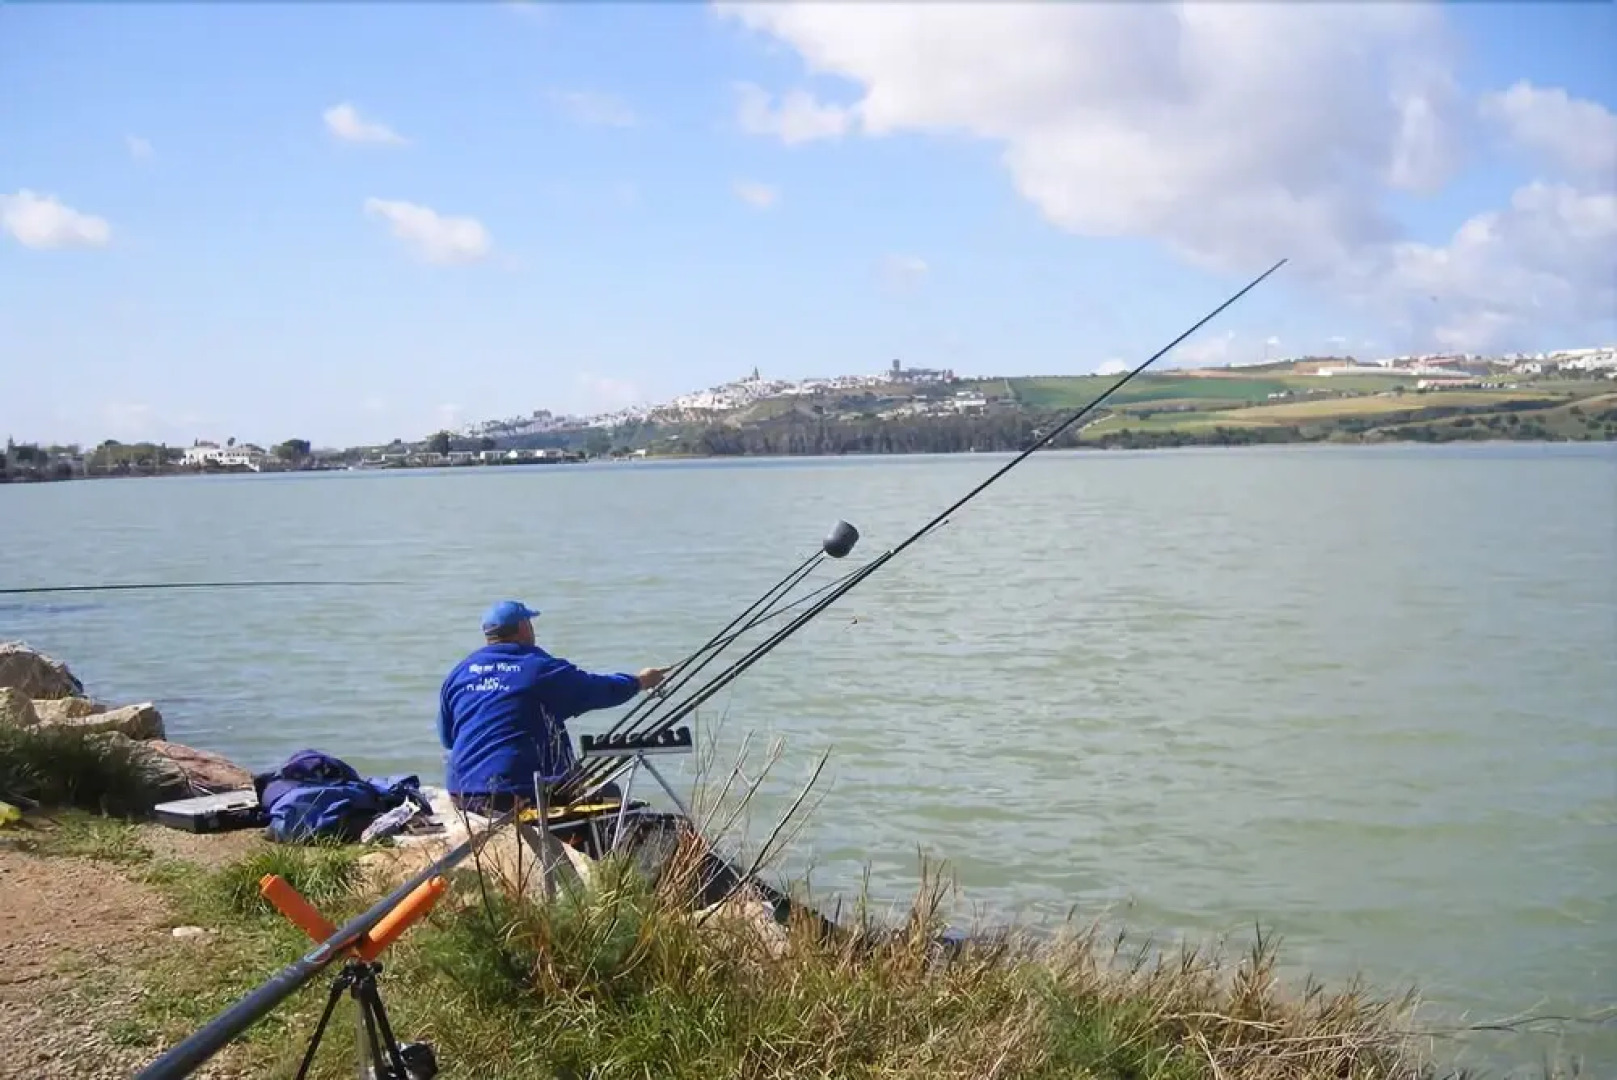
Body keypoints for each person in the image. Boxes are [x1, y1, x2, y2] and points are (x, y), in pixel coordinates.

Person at [437, 599, 666, 814]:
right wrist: (639, 682)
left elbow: (448, 739)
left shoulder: (459, 673)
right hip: (518, 793)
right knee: (609, 793)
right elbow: (598, 690)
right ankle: (601, 854)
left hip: (462, 793)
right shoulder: (541, 669)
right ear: (523, 627)